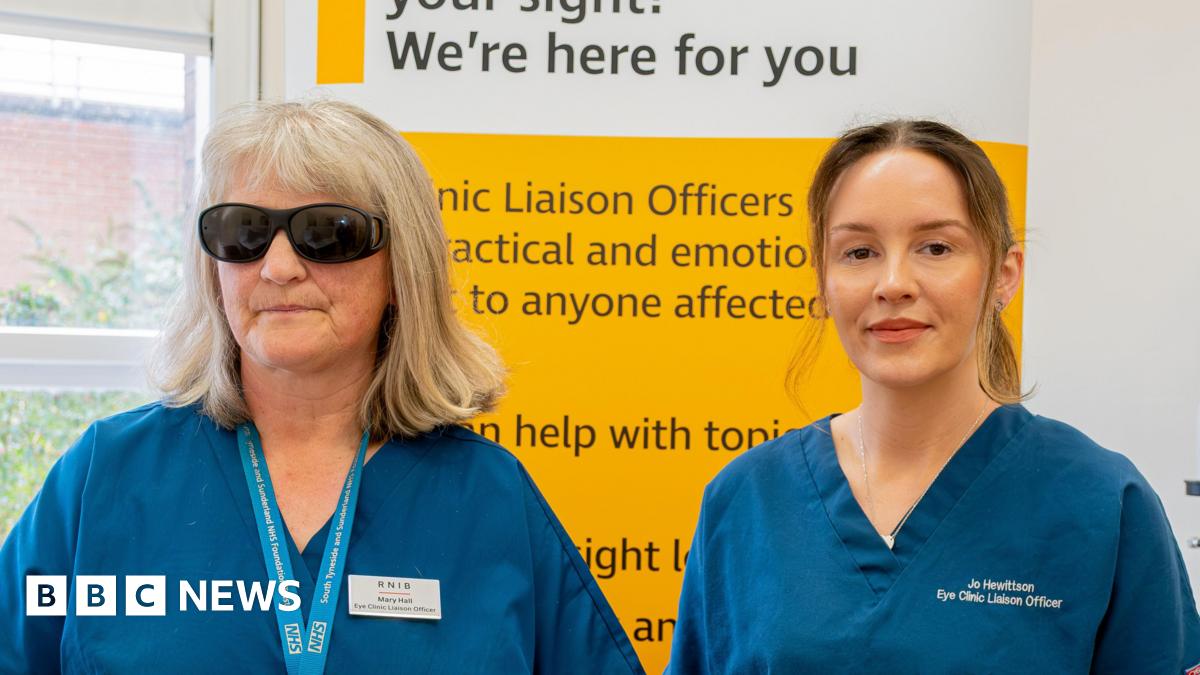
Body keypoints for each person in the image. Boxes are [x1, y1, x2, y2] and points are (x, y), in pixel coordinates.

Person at [0, 99, 644, 675]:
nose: (278, 267)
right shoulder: (105, 476)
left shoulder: (488, 497)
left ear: (403, 271)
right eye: (243, 232)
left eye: (329, 233)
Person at [666, 120, 1200, 673]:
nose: (893, 283)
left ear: (1004, 275)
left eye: (936, 247)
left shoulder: (1101, 501)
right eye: (859, 252)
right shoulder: (747, 500)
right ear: (823, 281)